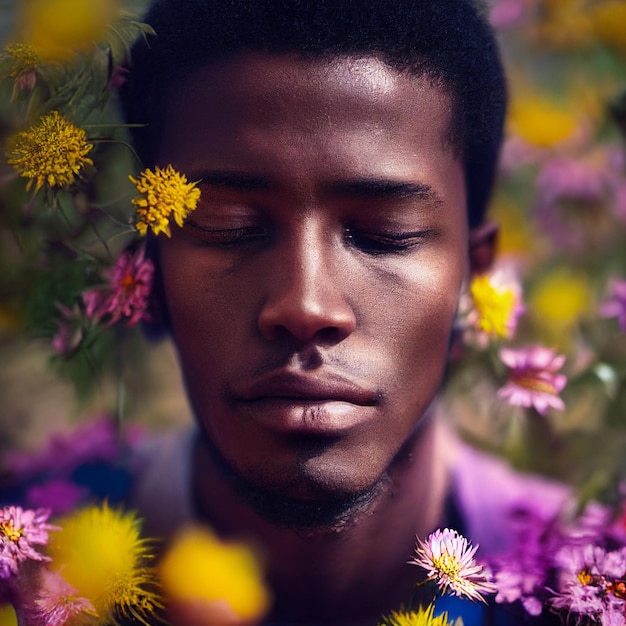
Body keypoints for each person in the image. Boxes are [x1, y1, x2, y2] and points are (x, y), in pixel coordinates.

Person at [114, 1, 569, 624]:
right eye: (230, 227)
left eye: (385, 233)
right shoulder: (30, 568)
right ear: (144, 282)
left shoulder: (592, 584)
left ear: (476, 280)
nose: (306, 305)